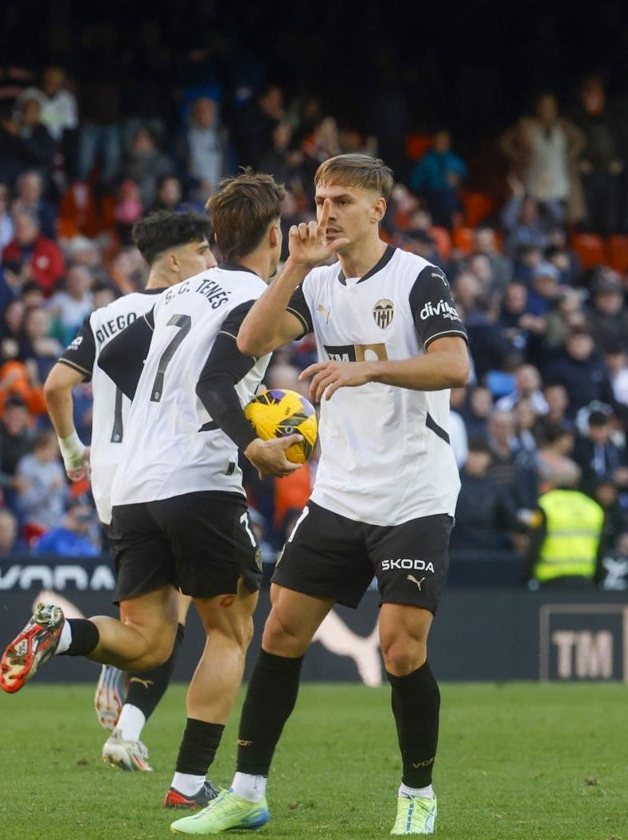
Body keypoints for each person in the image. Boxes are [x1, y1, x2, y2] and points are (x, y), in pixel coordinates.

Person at [175, 153, 470, 836]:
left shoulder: (418, 277)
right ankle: (247, 791)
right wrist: (296, 266)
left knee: (401, 647)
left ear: (377, 210)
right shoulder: (318, 281)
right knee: (279, 630)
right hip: (340, 491)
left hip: (414, 490)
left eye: (340, 201)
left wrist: (369, 373)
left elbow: (454, 363)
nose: (325, 212)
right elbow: (251, 339)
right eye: (319, 198)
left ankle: (417, 795)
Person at [0, 173, 300, 814]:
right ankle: (190, 782)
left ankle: (66, 635)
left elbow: (92, 370)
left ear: (216, 239)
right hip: (199, 478)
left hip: (131, 487)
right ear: (274, 236)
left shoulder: (167, 299)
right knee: (229, 632)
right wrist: (254, 423)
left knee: (151, 639)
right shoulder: (259, 297)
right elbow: (216, 379)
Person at [41, 208, 216, 775]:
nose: (211, 263)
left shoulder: (105, 318)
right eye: (202, 253)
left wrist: (72, 453)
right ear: (174, 262)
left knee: (159, 623)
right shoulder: (191, 311)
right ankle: (123, 699)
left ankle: (125, 726)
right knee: (178, 624)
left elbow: (56, 386)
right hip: (176, 478)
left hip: (116, 490)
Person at [522, 461, 605, 590]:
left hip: (551, 579)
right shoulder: (593, 508)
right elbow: (600, 548)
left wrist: (525, 577)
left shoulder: (544, 505)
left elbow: (535, 544)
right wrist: (599, 579)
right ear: (576, 482)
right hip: (584, 580)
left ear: (552, 482)